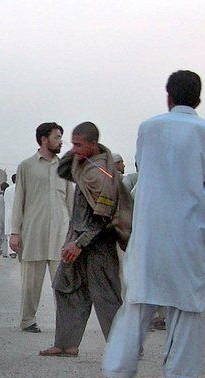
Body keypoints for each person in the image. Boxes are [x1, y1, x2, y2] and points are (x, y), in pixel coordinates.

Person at [102, 70, 205, 378]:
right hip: (191, 229)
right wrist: (203, 175)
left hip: (152, 228)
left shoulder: (149, 127)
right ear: (198, 100)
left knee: (140, 298)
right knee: (188, 304)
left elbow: (144, 167)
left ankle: (119, 368)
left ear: (168, 97)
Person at [39, 122, 129, 357]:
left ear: (92, 144)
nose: (74, 148)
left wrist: (79, 245)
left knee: (106, 297)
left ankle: (124, 348)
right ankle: (66, 343)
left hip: (97, 244)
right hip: (77, 239)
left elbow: (103, 217)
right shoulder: (86, 164)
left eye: (79, 144)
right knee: (66, 288)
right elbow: (63, 171)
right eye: (72, 144)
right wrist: (75, 153)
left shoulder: (102, 175)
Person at [10, 122, 73, 333]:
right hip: (34, 232)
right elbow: (19, 201)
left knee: (63, 283)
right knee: (31, 284)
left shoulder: (65, 167)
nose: (61, 142)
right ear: (44, 139)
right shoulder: (26, 166)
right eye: (57, 137)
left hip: (60, 234)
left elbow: (71, 201)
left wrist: (75, 234)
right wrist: (15, 233)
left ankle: (64, 325)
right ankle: (28, 320)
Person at [3, 174, 17, 258]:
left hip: (8, 213)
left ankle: (11, 251)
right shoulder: (21, 189)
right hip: (17, 214)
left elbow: (5, 201)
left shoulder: (7, 190)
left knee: (9, 234)